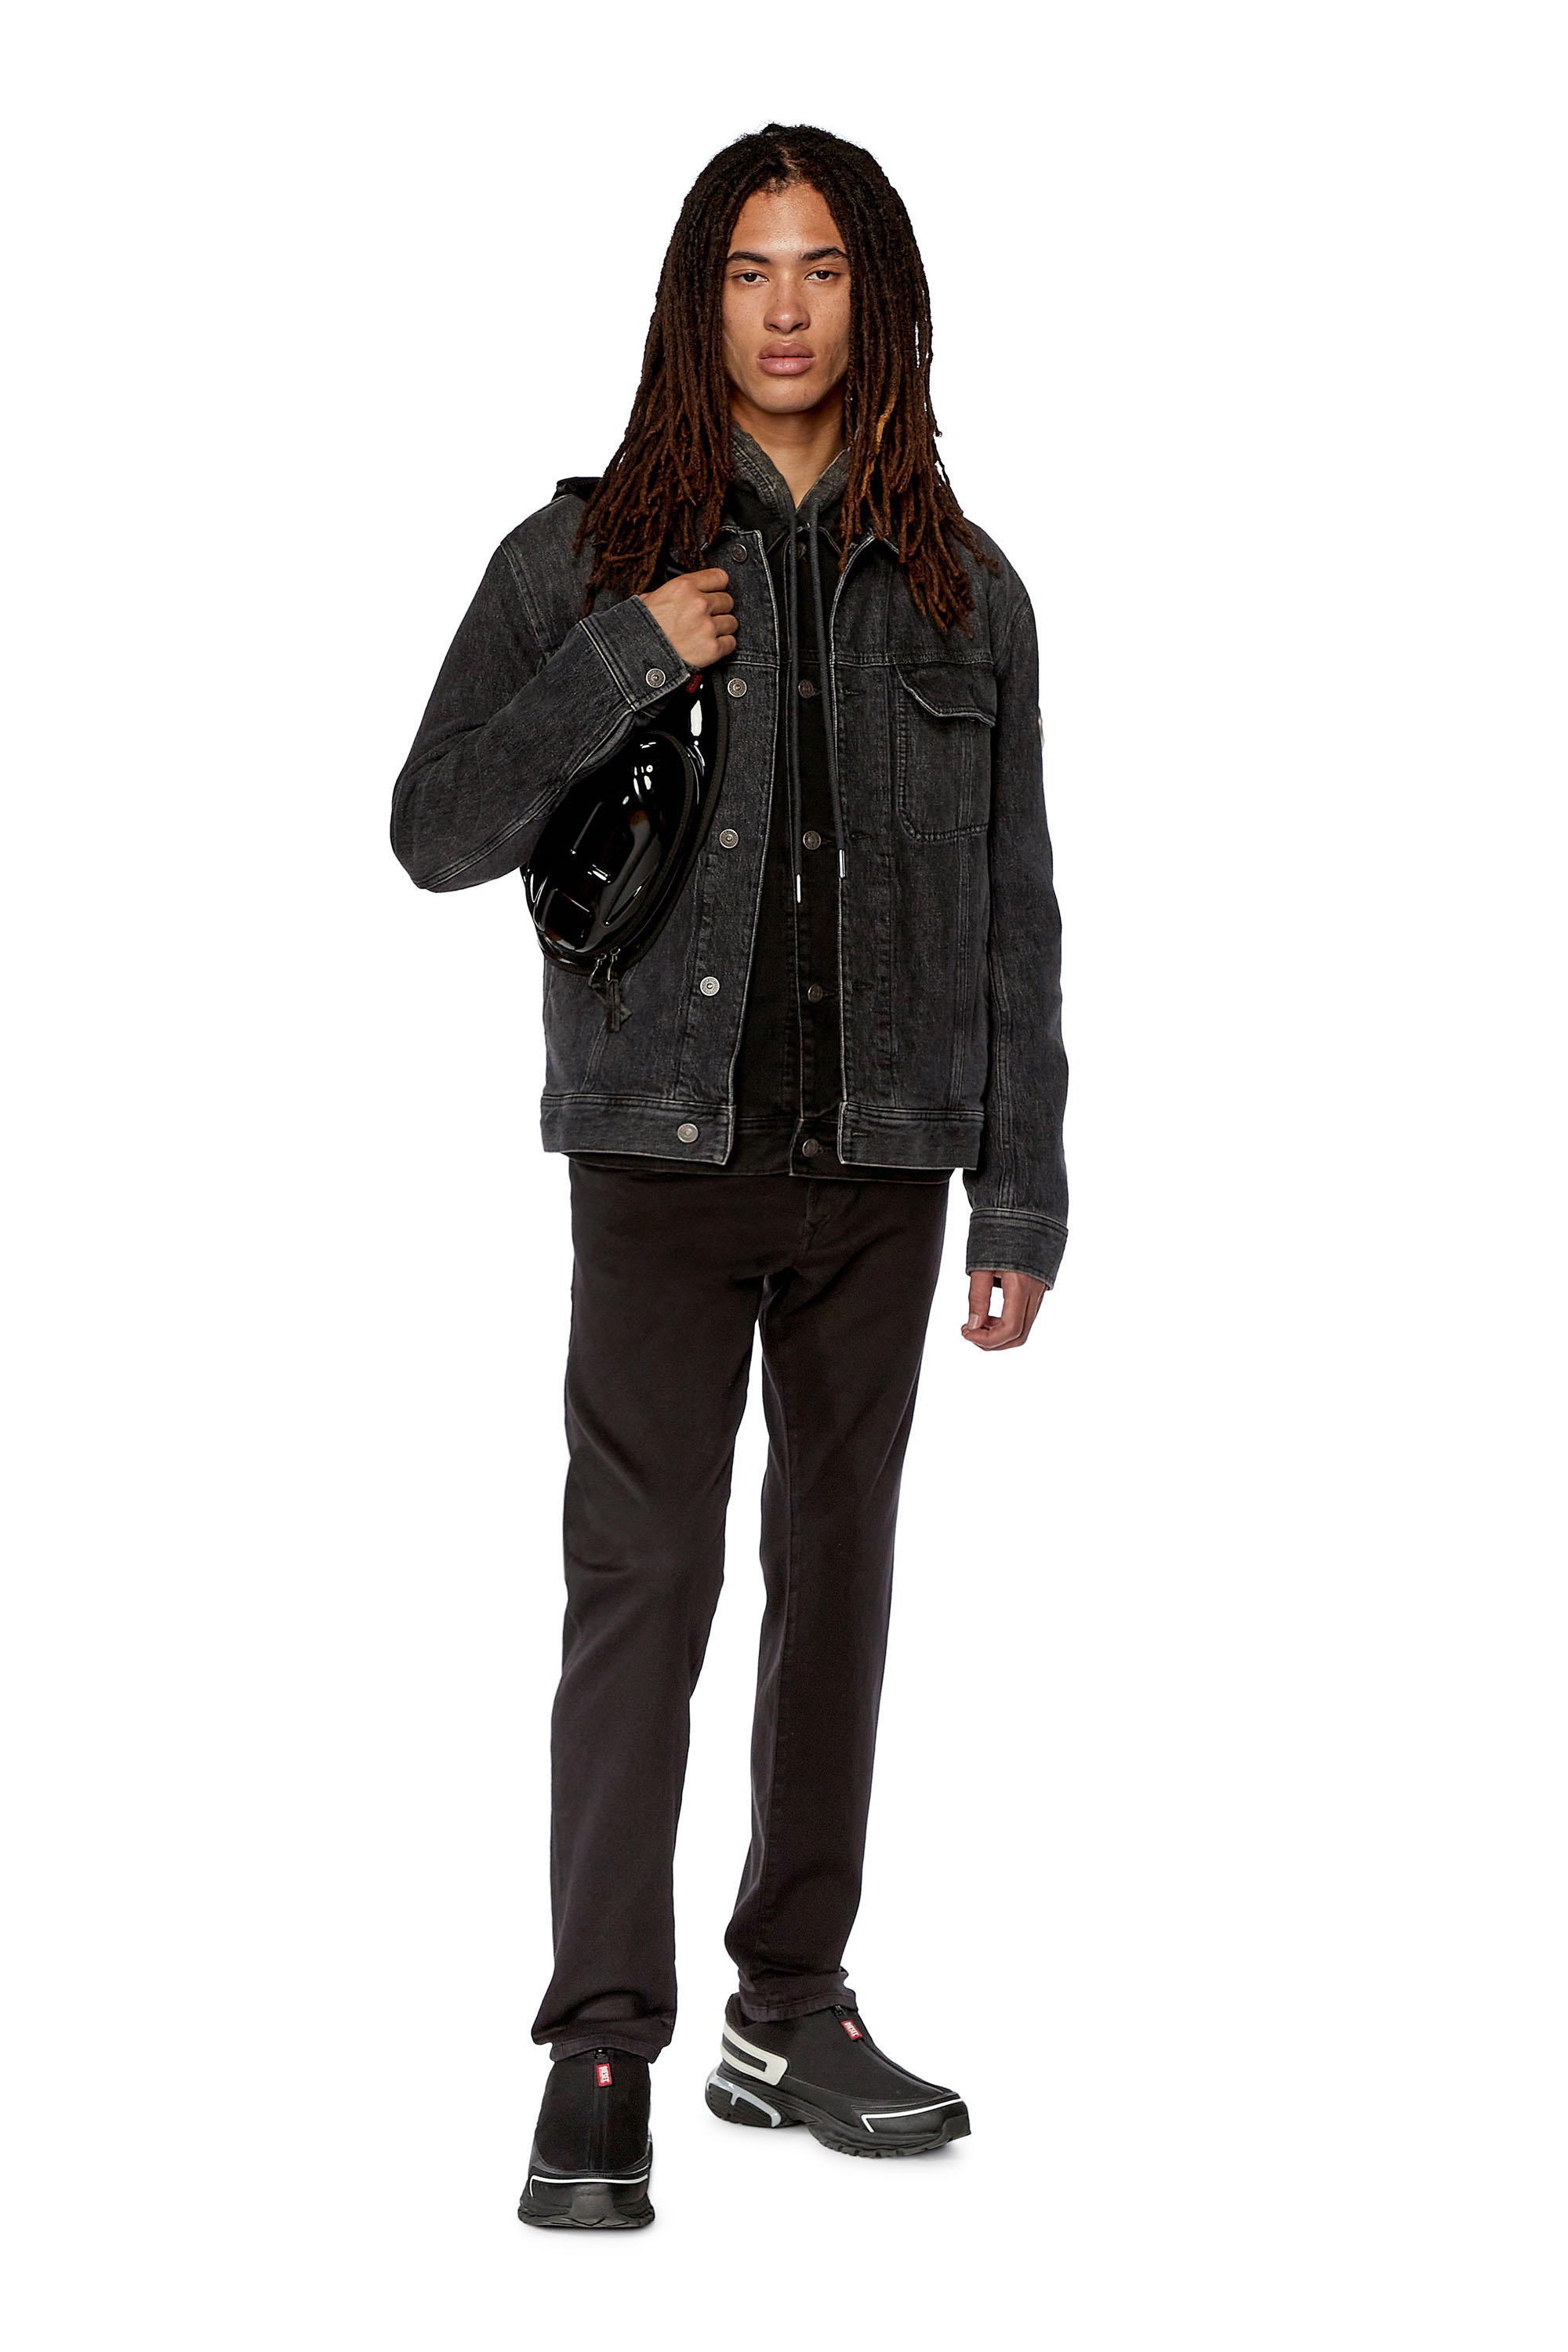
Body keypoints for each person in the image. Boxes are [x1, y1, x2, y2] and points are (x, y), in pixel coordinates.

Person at [390, 122, 1068, 2232]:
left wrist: (1021, 1193)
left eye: (826, 270)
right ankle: (602, 2043)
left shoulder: (964, 586)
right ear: (699, 303)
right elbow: (432, 824)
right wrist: (625, 656)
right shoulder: (582, 556)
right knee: (645, 1588)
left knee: (838, 1585)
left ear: (881, 302)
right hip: (657, 1161)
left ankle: (792, 2003)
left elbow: (1016, 907)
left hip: (885, 1163)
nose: (789, 309)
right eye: (751, 270)